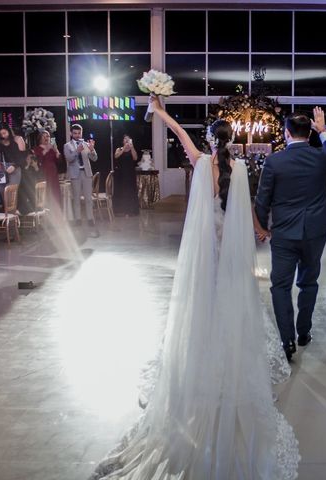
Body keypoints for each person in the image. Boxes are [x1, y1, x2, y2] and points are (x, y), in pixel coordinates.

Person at [91, 97, 299, 479]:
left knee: (200, 310)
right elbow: (247, 206)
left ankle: (201, 365)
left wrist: (159, 108)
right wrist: (257, 229)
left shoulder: (203, 164)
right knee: (231, 310)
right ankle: (227, 369)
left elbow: (178, 133)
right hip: (231, 255)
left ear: (209, 139)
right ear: (232, 140)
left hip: (207, 254)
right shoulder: (237, 170)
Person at [255, 108, 326, 362]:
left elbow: (262, 199)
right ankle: (304, 332)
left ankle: (287, 339)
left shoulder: (274, 161)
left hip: (283, 232)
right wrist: (324, 131)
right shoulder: (320, 157)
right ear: (309, 133)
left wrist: (262, 229)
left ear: (286, 133)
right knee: (309, 282)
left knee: (280, 285)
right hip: (315, 231)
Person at [63, 124, 98, 227]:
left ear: (81, 133)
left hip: (86, 173)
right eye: (75, 133)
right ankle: (77, 219)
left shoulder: (87, 144)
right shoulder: (67, 145)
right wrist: (76, 151)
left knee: (88, 198)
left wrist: (92, 149)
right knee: (76, 198)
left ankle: (90, 219)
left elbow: (94, 158)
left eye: (79, 133)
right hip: (75, 174)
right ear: (71, 133)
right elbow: (69, 159)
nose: (77, 135)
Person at [0, 123, 27, 201]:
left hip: (15, 166)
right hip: (1, 168)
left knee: (11, 192)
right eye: (1, 134)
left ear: (9, 130)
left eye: (5, 133)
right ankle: (6, 212)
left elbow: (23, 157)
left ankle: (12, 212)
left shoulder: (18, 139)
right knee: (2, 191)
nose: (3, 135)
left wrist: (14, 166)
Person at [32, 131, 62, 209]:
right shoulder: (36, 149)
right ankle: (45, 211)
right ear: (40, 138)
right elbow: (38, 161)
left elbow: (59, 161)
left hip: (53, 173)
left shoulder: (52, 148)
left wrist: (56, 151)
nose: (46, 138)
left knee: (55, 192)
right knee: (46, 192)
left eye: (48, 136)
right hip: (43, 173)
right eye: (44, 136)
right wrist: (45, 150)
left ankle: (56, 211)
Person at [113, 134, 140, 217]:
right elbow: (116, 156)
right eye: (125, 139)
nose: (127, 141)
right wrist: (124, 149)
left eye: (128, 139)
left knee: (130, 190)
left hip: (130, 173)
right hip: (120, 173)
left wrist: (131, 147)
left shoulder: (132, 149)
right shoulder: (119, 149)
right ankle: (120, 210)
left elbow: (135, 158)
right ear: (123, 141)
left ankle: (131, 210)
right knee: (121, 190)